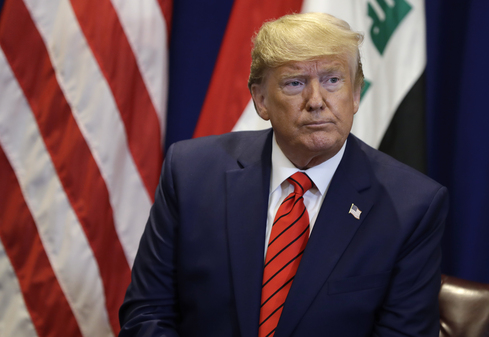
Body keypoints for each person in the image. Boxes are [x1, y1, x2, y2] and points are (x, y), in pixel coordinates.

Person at [119, 12, 448, 337]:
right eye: (295, 83)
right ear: (261, 100)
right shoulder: (191, 173)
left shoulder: (412, 206)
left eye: (333, 80)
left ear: (357, 93)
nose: (316, 101)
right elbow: (147, 313)